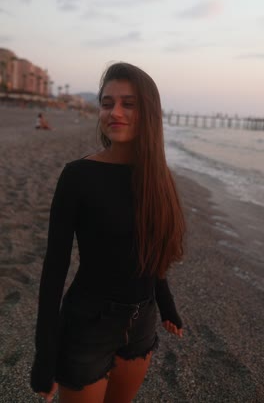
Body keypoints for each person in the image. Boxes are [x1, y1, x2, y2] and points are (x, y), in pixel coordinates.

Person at [30, 62, 186, 403]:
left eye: (128, 104)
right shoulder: (78, 176)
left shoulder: (159, 179)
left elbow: (151, 251)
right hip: (88, 324)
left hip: (142, 322)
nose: (114, 112)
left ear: (148, 112)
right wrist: (44, 357)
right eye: (106, 103)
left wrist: (167, 305)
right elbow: (54, 271)